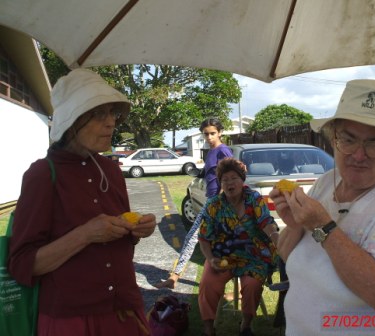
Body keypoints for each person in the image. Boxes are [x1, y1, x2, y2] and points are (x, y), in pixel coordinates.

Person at [269, 79, 375, 335]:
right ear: (333, 139)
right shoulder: (327, 182)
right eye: (348, 140)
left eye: (374, 143)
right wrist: (295, 225)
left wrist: (322, 226)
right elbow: (285, 255)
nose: (359, 155)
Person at [8, 69, 157, 336]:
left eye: (113, 113)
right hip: (71, 321)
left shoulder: (111, 171)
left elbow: (120, 239)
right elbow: (22, 265)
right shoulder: (42, 174)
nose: (111, 122)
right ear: (72, 121)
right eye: (100, 113)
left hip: (123, 311)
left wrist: (135, 230)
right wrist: (85, 234)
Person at [198, 158, 279, 336]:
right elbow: (203, 238)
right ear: (220, 183)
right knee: (208, 283)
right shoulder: (214, 205)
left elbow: (266, 221)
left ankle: (246, 325)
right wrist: (211, 258)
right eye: (224, 179)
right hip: (222, 256)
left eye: (234, 178)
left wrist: (275, 237)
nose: (229, 183)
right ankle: (208, 328)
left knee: (252, 284)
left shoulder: (253, 199)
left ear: (242, 180)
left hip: (253, 255)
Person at [155, 117, 233, 289]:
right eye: (206, 134)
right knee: (214, 240)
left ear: (220, 133)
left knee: (215, 240)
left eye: (213, 133)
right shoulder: (212, 151)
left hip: (219, 203)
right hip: (211, 200)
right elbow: (209, 174)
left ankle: (239, 287)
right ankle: (174, 277)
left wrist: (221, 199)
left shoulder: (223, 151)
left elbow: (230, 178)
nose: (209, 137)